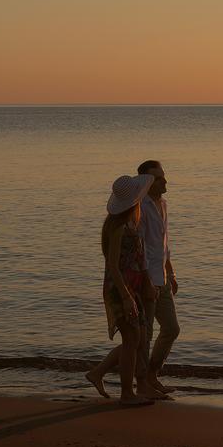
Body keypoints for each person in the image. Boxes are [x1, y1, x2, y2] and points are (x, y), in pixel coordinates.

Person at [87, 174, 157, 406]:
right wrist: (127, 297)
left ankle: (98, 373)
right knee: (132, 339)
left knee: (137, 338)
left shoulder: (130, 224)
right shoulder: (118, 228)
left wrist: (145, 284)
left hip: (132, 289)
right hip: (120, 290)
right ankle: (127, 394)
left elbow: (138, 259)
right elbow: (113, 267)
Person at [134, 159, 180, 395]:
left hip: (161, 277)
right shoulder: (139, 207)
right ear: (147, 181)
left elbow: (164, 244)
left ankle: (152, 374)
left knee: (171, 329)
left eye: (163, 176)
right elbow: (139, 248)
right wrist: (147, 281)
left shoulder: (162, 204)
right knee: (146, 333)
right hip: (147, 280)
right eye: (159, 177)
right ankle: (142, 383)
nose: (165, 180)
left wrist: (170, 273)